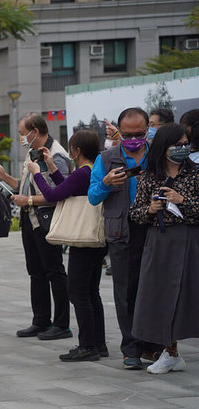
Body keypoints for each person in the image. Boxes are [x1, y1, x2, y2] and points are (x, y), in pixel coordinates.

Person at [87, 107, 161, 369]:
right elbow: (93, 196)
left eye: (139, 133)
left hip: (156, 228)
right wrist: (106, 182)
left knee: (154, 289)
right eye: (127, 134)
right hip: (122, 231)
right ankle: (131, 348)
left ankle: (155, 345)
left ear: (147, 130)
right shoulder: (107, 158)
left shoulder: (157, 155)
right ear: (119, 131)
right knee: (126, 292)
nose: (133, 138)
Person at [0, 113, 72, 341]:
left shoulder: (55, 155)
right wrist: (4, 176)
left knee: (55, 272)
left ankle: (62, 324)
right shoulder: (33, 153)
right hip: (31, 220)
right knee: (36, 273)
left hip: (47, 221)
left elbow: (60, 194)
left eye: (21, 133)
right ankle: (41, 321)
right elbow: (26, 187)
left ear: (34, 132)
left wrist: (26, 201)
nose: (21, 138)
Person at [30, 130, 108, 362]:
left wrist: (37, 174)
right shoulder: (93, 170)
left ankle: (87, 345)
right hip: (95, 238)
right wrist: (52, 168)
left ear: (77, 151)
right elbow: (68, 188)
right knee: (92, 292)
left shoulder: (83, 172)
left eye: (71, 147)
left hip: (82, 240)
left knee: (78, 293)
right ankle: (98, 344)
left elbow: (54, 195)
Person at [130, 123, 198, 374]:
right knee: (158, 297)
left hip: (190, 240)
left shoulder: (195, 174)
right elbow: (135, 214)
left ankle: (173, 352)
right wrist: (150, 209)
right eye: (177, 144)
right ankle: (170, 352)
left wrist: (183, 201)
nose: (182, 148)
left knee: (186, 297)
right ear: (163, 146)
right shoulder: (149, 176)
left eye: (185, 143)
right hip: (159, 240)